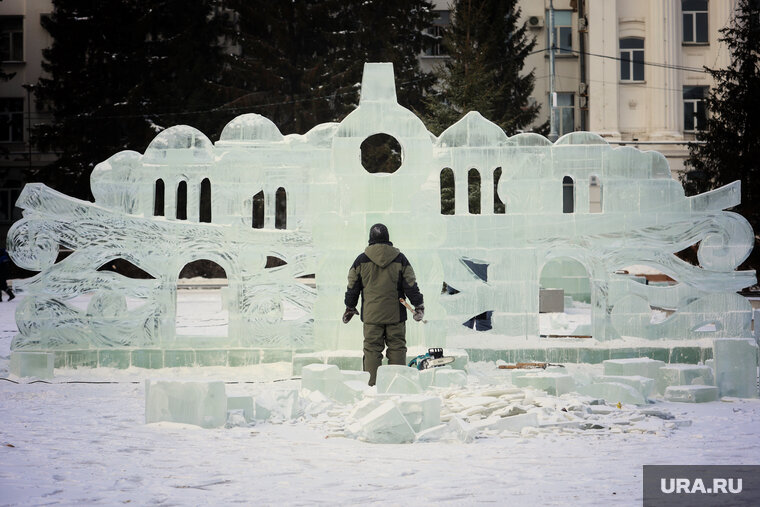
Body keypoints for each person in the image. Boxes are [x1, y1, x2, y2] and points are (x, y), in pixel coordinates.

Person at [343, 224, 424, 386]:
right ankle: (397, 384)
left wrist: (350, 306)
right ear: (387, 239)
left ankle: (372, 385)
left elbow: (352, 287)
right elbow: (410, 284)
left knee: (372, 349)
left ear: (370, 239)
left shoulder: (361, 260)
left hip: (372, 316)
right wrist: (418, 304)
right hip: (396, 315)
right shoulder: (400, 259)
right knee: (397, 348)